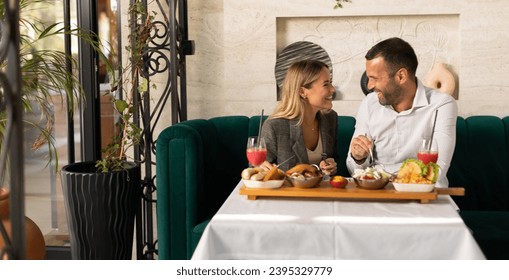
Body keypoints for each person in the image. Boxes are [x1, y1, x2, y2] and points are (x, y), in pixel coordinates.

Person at [347, 37, 458, 188]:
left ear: (401, 76)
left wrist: (383, 174)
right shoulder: (369, 103)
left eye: (374, 78)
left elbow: (437, 169)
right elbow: (355, 170)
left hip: (425, 195)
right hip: (378, 192)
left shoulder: (442, 104)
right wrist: (358, 158)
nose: (369, 85)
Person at [259, 59, 338, 175]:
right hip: (287, 192)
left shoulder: (330, 118)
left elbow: (335, 160)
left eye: (331, 82)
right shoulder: (274, 126)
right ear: (302, 92)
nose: (333, 89)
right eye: (326, 84)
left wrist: (331, 165)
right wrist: (261, 167)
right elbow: (258, 169)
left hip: (322, 191)